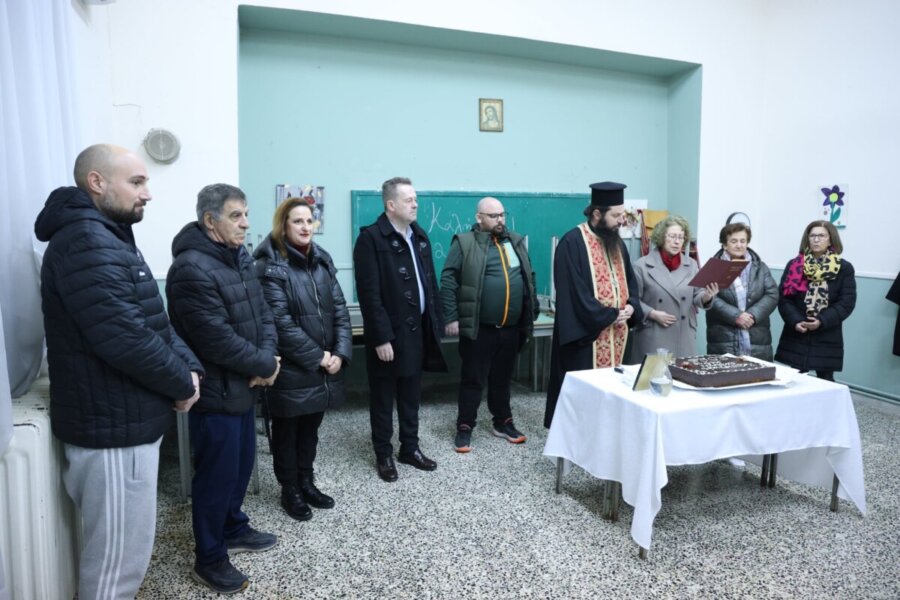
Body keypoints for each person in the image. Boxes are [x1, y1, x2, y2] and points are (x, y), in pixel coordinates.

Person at [34, 144, 203, 599]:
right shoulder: (87, 241)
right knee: (115, 567)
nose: (147, 193)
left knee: (123, 556)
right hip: (113, 429)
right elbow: (125, 338)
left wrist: (189, 368)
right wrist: (181, 383)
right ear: (97, 182)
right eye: (137, 182)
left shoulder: (108, 236)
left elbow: (153, 320)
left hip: (122, 419)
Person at [166, 184, 281, 594]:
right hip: (216, 394)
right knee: (216, 479)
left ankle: (233, 527)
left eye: (246, 214)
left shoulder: (238, 257)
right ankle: (210, 558)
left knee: (240, 468)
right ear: (210, 221)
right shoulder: (191, 269)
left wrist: (268, 360)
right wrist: (265, 365)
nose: (246, 223)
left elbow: (263, 313)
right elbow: (215, 339)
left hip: (245, 387)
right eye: (236, 216)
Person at [254, 198, 352, 520]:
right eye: (298, 221)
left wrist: (340, 353)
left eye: (310, 221)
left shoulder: (322, 260)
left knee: (310, 429)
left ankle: (306, 482)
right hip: (292, 369)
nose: (306, 227)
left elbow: (340, 310)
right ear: (283, 225)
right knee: (287, 432)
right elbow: (279, 322)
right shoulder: (270, 265)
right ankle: (290, 490)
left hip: (322, 366)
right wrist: (318, 356)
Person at [353, 177, 447, 482]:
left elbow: (430, 283)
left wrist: (437, 321)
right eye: (409, 200)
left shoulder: (419, 235)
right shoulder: (370, 239)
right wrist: (381, 337)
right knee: (383, 397)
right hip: (388, 336)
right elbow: (369, 294)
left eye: (416, 199)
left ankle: (410, 448)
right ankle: (383, 454)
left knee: (411, 395)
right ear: (391, 205)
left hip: (417, 331)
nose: (415, 204)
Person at [440, 197, 539, 452]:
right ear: (479, 217)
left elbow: (529, 276)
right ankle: (465, 427)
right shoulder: (464, 243)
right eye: (494, 216)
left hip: (511, 327)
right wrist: (451, 317)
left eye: (502, 215)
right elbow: (448, 280)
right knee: (473, 379)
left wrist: (532, 308)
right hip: (479, 328)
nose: (500, 220)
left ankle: (503, 422)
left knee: (502, 379)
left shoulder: (514, 241)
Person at [545, 182, 642, 428]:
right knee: (584, 403)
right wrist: (609, 315)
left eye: (622, 214)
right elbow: (574, 295)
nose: (622, 221)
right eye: (616, 216)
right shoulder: (572, 243)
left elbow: (630, 282)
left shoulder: (617, 243)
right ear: (597, 213)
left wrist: (632, 306)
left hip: (618, 337)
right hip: (586, 340)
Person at [630, 214, 719, 362]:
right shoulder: (642, 265)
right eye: (672, 236)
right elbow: (633, 301)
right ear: (661, 237)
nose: (677, 242)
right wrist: (652, 313)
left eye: (681, 237)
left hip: (684, 336)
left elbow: (697, 295)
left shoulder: (691, 265)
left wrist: (707, 296)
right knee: (655, 375)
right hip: (654, 334)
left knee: (683, 374)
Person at [775, 221, 856, 380]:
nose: (816, 240)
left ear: (831, 239)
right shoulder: (794, 265)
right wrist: (796, 321)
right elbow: (784, 298)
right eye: (812, 236)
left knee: (826, 381)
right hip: (798, 331)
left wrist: (822, 321)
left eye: (821, 236)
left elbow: (846, 302)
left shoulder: (844, 268)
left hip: (827, 332)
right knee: (796, 380)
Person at [705, 223, 778, 360]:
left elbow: (772, 294)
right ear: (724, 244)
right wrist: (736, 316)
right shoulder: (714, 267)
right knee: (726, 373)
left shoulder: (760, 267)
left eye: (743, 241)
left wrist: (752, 315)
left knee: (758, 372)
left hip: (757, 337)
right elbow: (708, 297)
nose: (739, 245)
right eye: (734, 241)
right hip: (724, 338)